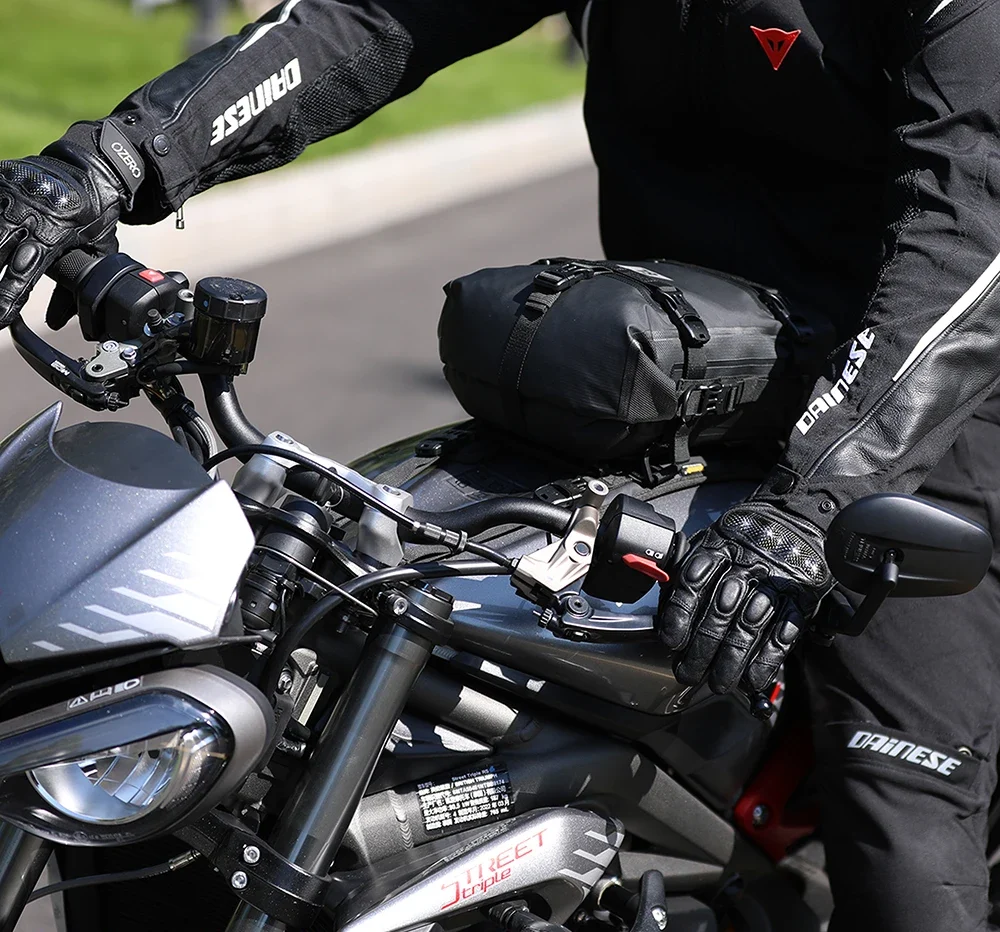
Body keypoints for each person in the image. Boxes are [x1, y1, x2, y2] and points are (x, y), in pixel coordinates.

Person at [0, 1, 998, 928]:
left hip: (914, 427)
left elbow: (969, 237)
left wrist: (815, 498)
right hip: (654, 389)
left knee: (902, 838)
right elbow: (368, 22)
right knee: (298, 629)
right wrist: (109, 163)